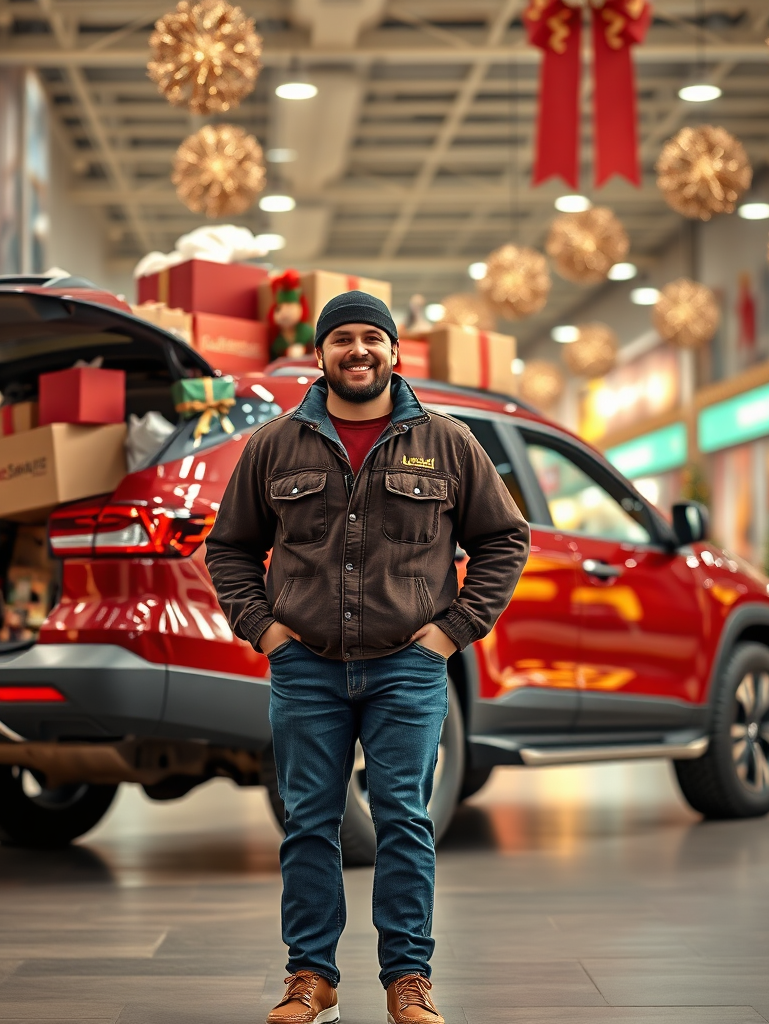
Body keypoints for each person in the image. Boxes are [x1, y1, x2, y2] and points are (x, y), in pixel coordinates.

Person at [205, 291, 531, 1024]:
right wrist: (264, 631)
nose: (358, 351)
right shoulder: (274, 445)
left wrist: (452, 631)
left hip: (407, 668)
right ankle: (310, 977)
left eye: (371, 339)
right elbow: (227, 548)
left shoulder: (445, 442)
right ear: (320, 355)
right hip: (306, 667)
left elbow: (506, 538)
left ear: (393, 352)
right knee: (309, 822)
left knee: (403, 821)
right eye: (342, 339)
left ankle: (407, 979)